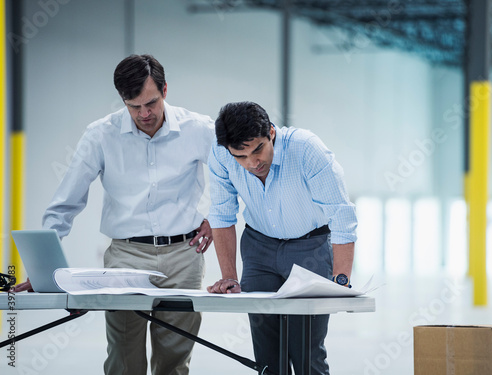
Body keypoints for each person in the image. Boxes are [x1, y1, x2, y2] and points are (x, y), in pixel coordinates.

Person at [13, 54, 215, 375]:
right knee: (123, 358)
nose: (144, 114)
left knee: (175, 361)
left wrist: (216, 217)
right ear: (122, 99)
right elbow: (66, 202)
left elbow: (234, 175)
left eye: (151, 102)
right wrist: (43, 271)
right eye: (133, 106)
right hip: (126, 258)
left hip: (184, 257)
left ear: (165, 89)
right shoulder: (100, 135)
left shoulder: (199, 129)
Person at [206, 101, 357, 375]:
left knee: (306, 353)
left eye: (258, 150)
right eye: (241, 157)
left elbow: (342, 215)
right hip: (259, 249)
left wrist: (341, 280)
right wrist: (229, 276)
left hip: (310, 248)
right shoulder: (220, 155)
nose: (253, 163)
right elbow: (221, 215)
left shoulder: (306, 149)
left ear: (271, 133)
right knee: (267, 359)